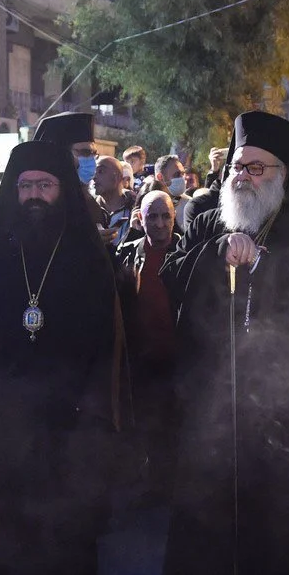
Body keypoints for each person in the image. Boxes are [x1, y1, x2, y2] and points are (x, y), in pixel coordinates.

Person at [156, 112, 289, 575]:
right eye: (237, 165)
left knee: (271, 500)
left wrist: (263, 264)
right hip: (213, 387)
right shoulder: (209, 218)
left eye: (256, 168)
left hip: (275, 394)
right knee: (208, 493)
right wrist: (217, 255)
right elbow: (170, 278)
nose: (242, 176)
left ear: (282, 173)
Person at [0, 140, 121, 575]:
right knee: (6, 488)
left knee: (62, 493)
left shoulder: (88, 254)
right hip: (6, 400)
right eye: (25, 185)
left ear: (62, 190)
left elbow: (102, 334)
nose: (33, 194)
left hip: (66, 403)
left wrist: (82, 395)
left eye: (44, 185)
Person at [116, 190, 182, 500]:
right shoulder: (126, 254)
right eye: (152, 216)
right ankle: (152, 480)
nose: (159, 223)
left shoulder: (186, 252)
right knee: (145, 421)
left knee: (174, 422)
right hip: (140, 356)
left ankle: (170, 482)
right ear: (141, 219)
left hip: (177, 354)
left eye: (165, 216)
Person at [92, 156, 135, 248]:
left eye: (100, 171)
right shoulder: (88, 210)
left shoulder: (134, 208)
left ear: (118, 177)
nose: (94, 177)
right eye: (93, 172)